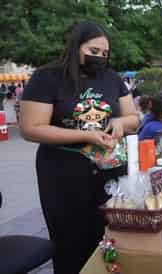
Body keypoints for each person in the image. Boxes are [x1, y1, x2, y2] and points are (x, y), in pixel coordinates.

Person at [19, 21, 139, 274]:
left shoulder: (112, 78)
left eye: (104, 54)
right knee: (70, 241)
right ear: (75, 47)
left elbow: (133, 119)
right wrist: (86, 135)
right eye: (93, 51)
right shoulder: (47, 77)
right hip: (64, 173)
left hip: (109, 169)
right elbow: (31, 127)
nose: (99, 58)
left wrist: (119, 122)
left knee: (109, 236)